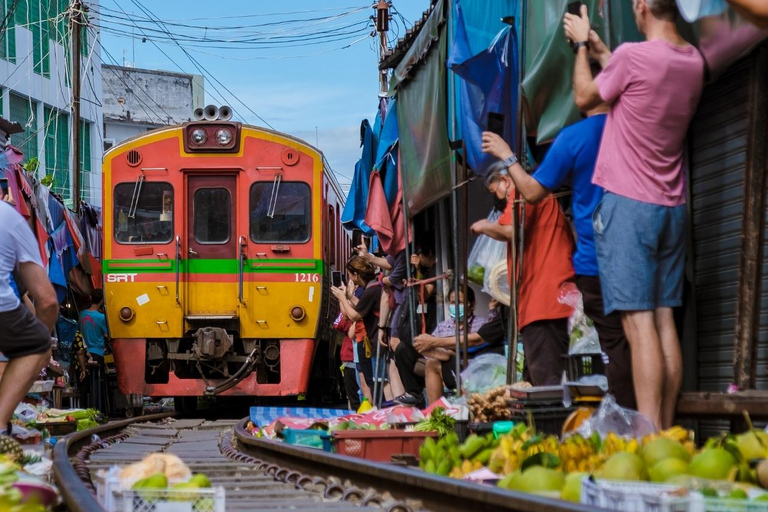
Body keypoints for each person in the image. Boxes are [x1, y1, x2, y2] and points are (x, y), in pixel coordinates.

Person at [564, 0, 704, 428]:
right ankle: (665, 435)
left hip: (627, 205)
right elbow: (638, 79)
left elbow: (586, 96)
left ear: (641, 6)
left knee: (638, 326)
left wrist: (577, 50)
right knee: (664, 323)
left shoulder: (633, 56)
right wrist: (599, 48)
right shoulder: (692, 62)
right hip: (671, 206)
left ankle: (648, 439)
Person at [480, 66, 636, 409]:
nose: (502, 196)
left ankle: (611, 429)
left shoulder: (528, 188)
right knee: (639, 342)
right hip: (640, 253)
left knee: (553, 379)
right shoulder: (637, 126)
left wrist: (484, 224)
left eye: (499, 188)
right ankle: (646, 422)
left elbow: (516, 219)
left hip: (550, 295)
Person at [471, 168, 575, 386]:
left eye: (494, 191)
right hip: (543, 302)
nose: (496, 199)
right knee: (536, 381)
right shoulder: (536, 197)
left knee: (548, 382)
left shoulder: (522, 192)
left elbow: (510, 230)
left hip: (544, 303)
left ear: (505, 180)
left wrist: (484, 226)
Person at [0, 200, 58, 438]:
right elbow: (47, 300)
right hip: (4, 312)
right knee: (35, 343)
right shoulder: (9, 217)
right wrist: (44, 342)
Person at [412, 287, 486, 404]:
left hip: (475, 370)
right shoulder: (442, 327)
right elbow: (430, 355)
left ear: (470, 305)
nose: (456, 306)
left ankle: (448, 354)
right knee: (430, 362)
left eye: (460, 302)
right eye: (452, 303)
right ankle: (434, 413)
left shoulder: (482, 324)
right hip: (451, 370)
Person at [332, 255, 382, 396]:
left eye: (350, 275)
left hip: (371, 339)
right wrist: (348, 296)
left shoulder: (370, 290)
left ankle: (380, 411)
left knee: (373, 381)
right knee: (375, 380)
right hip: (370, 339)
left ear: (355, 275)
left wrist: (342, 298)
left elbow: (354, 315)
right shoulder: (373, 287)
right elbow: (361, 306)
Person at [79, 289, 109, 409]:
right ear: (101, 301)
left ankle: (84, 408)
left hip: (82, 354)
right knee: (98, 384)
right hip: (97, 353)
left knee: (84, 384)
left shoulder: (82, 314)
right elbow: (107, 336)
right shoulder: (101, 317)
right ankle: (98, 409)